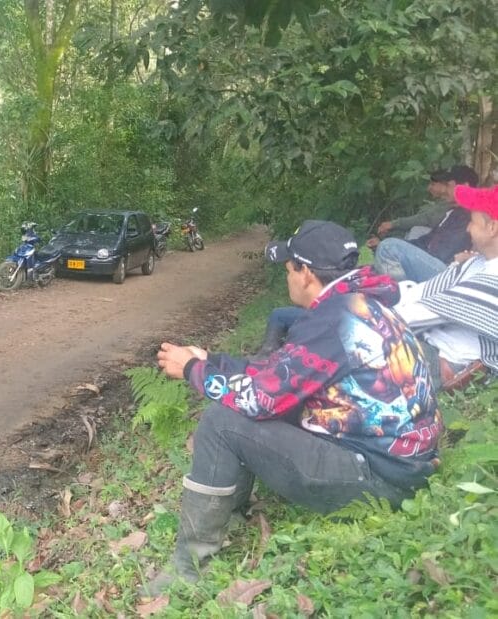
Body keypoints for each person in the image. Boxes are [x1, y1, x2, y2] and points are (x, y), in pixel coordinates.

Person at [147, 220, 441, 595]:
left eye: (288, 270)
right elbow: (281, 376)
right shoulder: (359, 305)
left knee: (223, 420)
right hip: (401, 463)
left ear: (305, 274)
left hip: (380, 479)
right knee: (248, 408)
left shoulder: (332, 322)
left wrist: (191, 369)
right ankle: (226, 515)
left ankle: (188, 571)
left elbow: (258, 399)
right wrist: (212, 359)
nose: (287, 279)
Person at [394, 184, 498, 389]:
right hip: (429, 340)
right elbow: (423, 291)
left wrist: (369, 315)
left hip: (442, 358)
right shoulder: (477, 263)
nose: (468, 228)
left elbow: (415, 315)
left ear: (492, 228)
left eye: (472, 221)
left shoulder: (492, 280)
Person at [368, 165, 479, 282]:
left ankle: (399, 294)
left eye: (448, 185)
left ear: (465, 187)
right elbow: (425, 241)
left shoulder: (468, 215)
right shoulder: (454, 212)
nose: (446, 189)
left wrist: (412, 257)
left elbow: (443, 253)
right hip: (435, 262)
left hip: (446, 272)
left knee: (388, 247)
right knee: (385, 250)